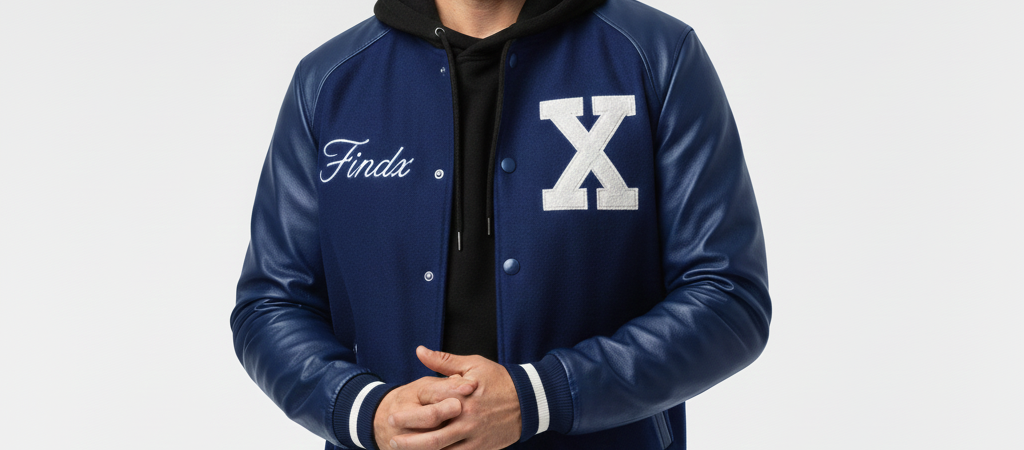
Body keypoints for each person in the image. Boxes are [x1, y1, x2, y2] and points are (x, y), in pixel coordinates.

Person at [231, 0, 771, 449]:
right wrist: (365, 409)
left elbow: (728, 296)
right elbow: (271, 303)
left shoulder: (656, 54)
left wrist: (540, 396)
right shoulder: (329, 81)